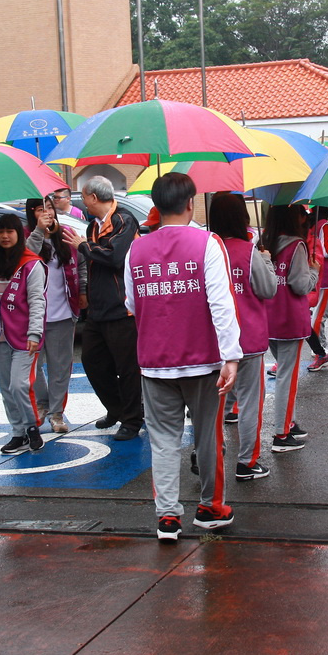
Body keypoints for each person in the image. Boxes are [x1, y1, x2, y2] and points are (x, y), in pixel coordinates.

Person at [124, 173, 242, 541]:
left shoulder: (135, 249)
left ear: (156, 205)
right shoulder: (208, 243)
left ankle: (167, 517)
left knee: (162, 440)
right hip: (203, 360)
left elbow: (130, 302)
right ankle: (209, 508)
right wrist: (231, 355)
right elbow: (221, 303)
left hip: (154, 361)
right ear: (191, 202)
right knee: (208, 436)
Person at [62, 176, 144, 440]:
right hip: (98, 309)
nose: (83, 202)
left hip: (122, 308)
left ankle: (132, 420)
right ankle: (117, 408)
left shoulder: (124, 220)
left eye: (84, 197)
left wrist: (83, 246)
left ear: (93, 198)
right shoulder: (91, 227)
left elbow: (116, 256)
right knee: (93, 362)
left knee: (127, 367)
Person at [208, 193, 278, 482]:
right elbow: (268, 289)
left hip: (212, 339)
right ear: (242, 218)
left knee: (212, 402)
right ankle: (247, 462)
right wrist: (267, 262)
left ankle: (210, 456)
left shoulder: (206, 249)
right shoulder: (248, 251)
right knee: (250, 402)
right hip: (246, 337)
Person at [0, 212, 46, 456]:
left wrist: (35, 333)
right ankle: (17, 432)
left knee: (20, 385)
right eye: (0, 232)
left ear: (19, 234)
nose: (5, 236)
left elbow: (38, 300)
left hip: (23, 335)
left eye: (10, 231)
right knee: (6, 387)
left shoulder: (31, 263)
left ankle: (32, 427)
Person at [26, 198, 87, 434]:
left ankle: (57, 413)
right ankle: (42, 404)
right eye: (41, 210)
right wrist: (39, 231)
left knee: (60, 367)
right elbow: (26, 257)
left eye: (50, 208)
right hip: (33, 315)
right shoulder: (27, 236)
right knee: (33, 365)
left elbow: (80, 263)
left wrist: (82, 290)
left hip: (63, 311)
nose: (47, 213)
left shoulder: (67, 234)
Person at [262, 204, 319, 451]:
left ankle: (289, 421)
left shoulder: (264, 245)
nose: (304, 217)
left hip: (269, 318)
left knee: (285, 373)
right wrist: (314, 272)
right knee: (288, 376)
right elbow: (299, 284)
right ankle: (281, 434)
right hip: (291, 320)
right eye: (300, 213)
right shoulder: (297, 245)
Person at [307, 206, 328, 368]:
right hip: (326, 274)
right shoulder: (325, 226)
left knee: (319, 311)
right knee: (322, 312)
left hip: (316, 272)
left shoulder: (312, 224)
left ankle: (322, 342)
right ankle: (320, 346)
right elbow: (327, 249)